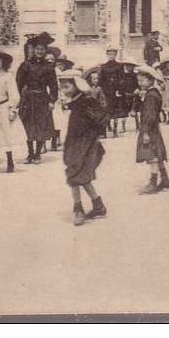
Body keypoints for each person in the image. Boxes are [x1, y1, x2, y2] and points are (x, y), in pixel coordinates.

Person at [58, 70, 110, 226]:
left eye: (66, 87)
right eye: (62, 87)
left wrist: (91, 137)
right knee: (81, 176)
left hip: (84, 145)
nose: (63, 90)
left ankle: (78, 209)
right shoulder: (76, 101)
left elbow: (101, 118)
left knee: (75, 176)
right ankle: (98, 205)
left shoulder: (85, 101)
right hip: (76, 144)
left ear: (76, 85)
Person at [16, 32, 58, 164]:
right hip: (28, 99)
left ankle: (38, 154)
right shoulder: (25, 65)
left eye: (42, 49)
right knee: (27, 126)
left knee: (41, 126)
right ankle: (30, 153)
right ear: (33, 50)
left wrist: (52, 100)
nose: (40, 51)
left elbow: (53, 86)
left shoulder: (49, 67)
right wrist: (17, 100)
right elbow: (18, 84)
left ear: (45, 51)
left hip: (42, 99)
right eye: (37, 49)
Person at [134, 65, 169, 194]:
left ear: (150, 81)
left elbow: (150, 115)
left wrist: (145, 132)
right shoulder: (153, 93)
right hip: (154, 128)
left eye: (143, 80)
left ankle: (153, 182)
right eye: (138, 80)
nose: (140, 83)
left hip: (149, 129)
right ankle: (165, 179)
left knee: (152, 155)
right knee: (157, 152)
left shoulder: (151, 96)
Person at [49, 55, 74, 151]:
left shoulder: (66, 74)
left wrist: (65, 98)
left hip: (61, 99)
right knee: (54, 120)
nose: (60, 66)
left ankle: (58, 139)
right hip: (54, 99)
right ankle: (53, 141)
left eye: (62, 65)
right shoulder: (54, 71)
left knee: (59, 121)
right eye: (58, 64)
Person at [98, 47, 124, 137]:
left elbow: (122, 78)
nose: (111, 56)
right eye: (110, 54)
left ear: (115, 55)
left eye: (113, 54)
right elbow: (100, 80)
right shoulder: (103, 66)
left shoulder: (119, 66)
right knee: (105, 111)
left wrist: (119, 89)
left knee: (115, 112)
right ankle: (104, 131)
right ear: (107, 55)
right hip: (106, 91)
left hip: (115, 91)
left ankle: (115, 130)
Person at [121, 61, 139, 129]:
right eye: (127, 66)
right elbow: (121, 85)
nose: (129, 67)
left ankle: (137, 125)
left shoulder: (135, 75)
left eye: (130, 66)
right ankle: (123, 127)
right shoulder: (122, 75)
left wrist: (137, 89)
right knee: (124, 111)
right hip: (125, 94)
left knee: (135, 110)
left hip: (134, 94)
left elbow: (138, 84)